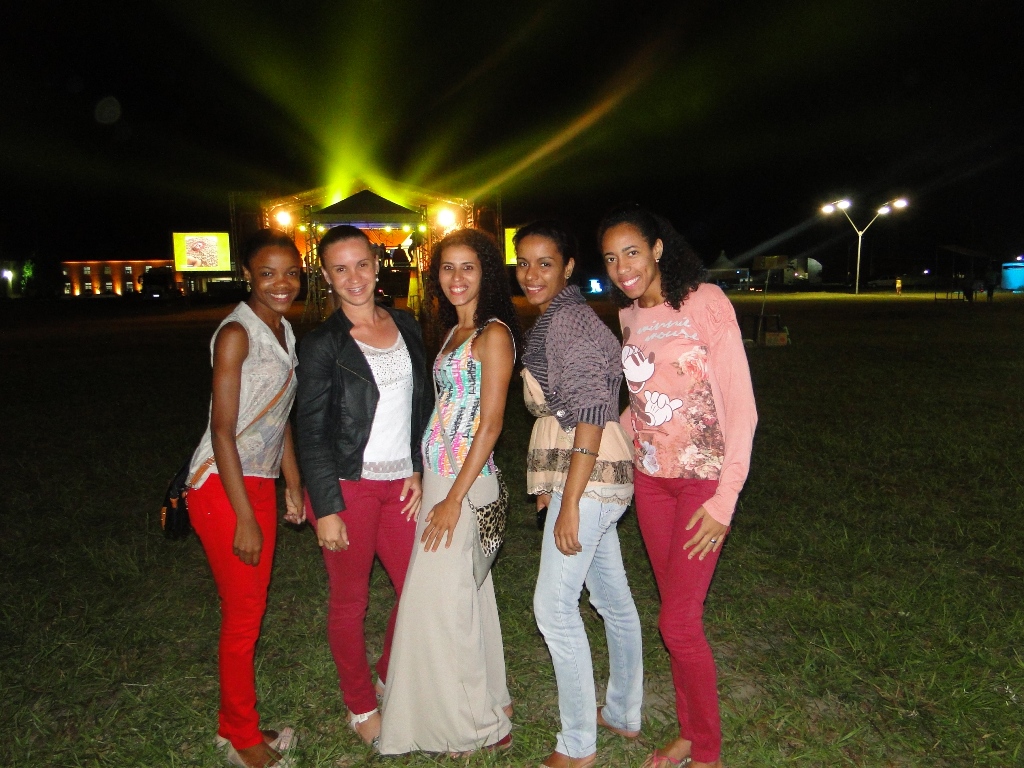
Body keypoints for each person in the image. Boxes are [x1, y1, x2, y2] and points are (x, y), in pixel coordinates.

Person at [600, 204, 757, 768]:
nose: (623, 268)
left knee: (678, 623)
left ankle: (707, 752)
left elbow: (742, 407)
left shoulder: (705, 302)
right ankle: (691, 734)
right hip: (651, 483)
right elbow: (644, 403)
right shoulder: (628, 315)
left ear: (658, 249)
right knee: (676, 618)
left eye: (632, 253)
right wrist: (598, 444)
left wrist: (724, 500)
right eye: (611, 259)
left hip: (701, 485)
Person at [379, 228, 522, 756]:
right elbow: (443, 410)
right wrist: (423, 473)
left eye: (468, 267)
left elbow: (491, 423)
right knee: (467, 597)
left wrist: (453, 499)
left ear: (487, 273)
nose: (456, 278)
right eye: (447, 267)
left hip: (465, 482)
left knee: (438, 605)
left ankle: (477, 727)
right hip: (441, 476)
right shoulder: (452, 332)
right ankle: (491, 700)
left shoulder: (493, 334)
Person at [294, 225, 431, 746]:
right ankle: (359, 704)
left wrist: (416, 465)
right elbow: (310, 432)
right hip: (347, 486)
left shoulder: (406, 324)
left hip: (401, 485)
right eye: (340, 268)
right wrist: (325, 506)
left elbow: (420, 403)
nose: (354, 277)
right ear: (326, 276)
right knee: (350, 601)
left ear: (377, 265)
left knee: (417, 588)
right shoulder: (322, 344)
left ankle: (388, 671)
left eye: (361, 264)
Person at [514, 221, 642, 768]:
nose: (531, 274)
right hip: (591, 476)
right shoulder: (559, 318)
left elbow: (589, 414)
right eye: (523, 263)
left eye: (545, 263)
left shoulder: (569, 322)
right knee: (611, 600)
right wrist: (552, 488)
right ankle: (623, 711)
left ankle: (577, 746)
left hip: (589, 479)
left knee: (553, 607)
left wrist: (568, 502)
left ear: (568, 267)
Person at [186, 229, 304, 768]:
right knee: (243, 616)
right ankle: (240, 736)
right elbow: (223, 429)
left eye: (291, 273)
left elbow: (278, 416)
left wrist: (292, 482)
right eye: (267, 273)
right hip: (224, 485)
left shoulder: (282, 329)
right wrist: (244, 517)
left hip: (259, 481)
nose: (282, 284)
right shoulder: (237, 333)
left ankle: (232, 724)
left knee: (247, 609)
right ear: (246, 275)